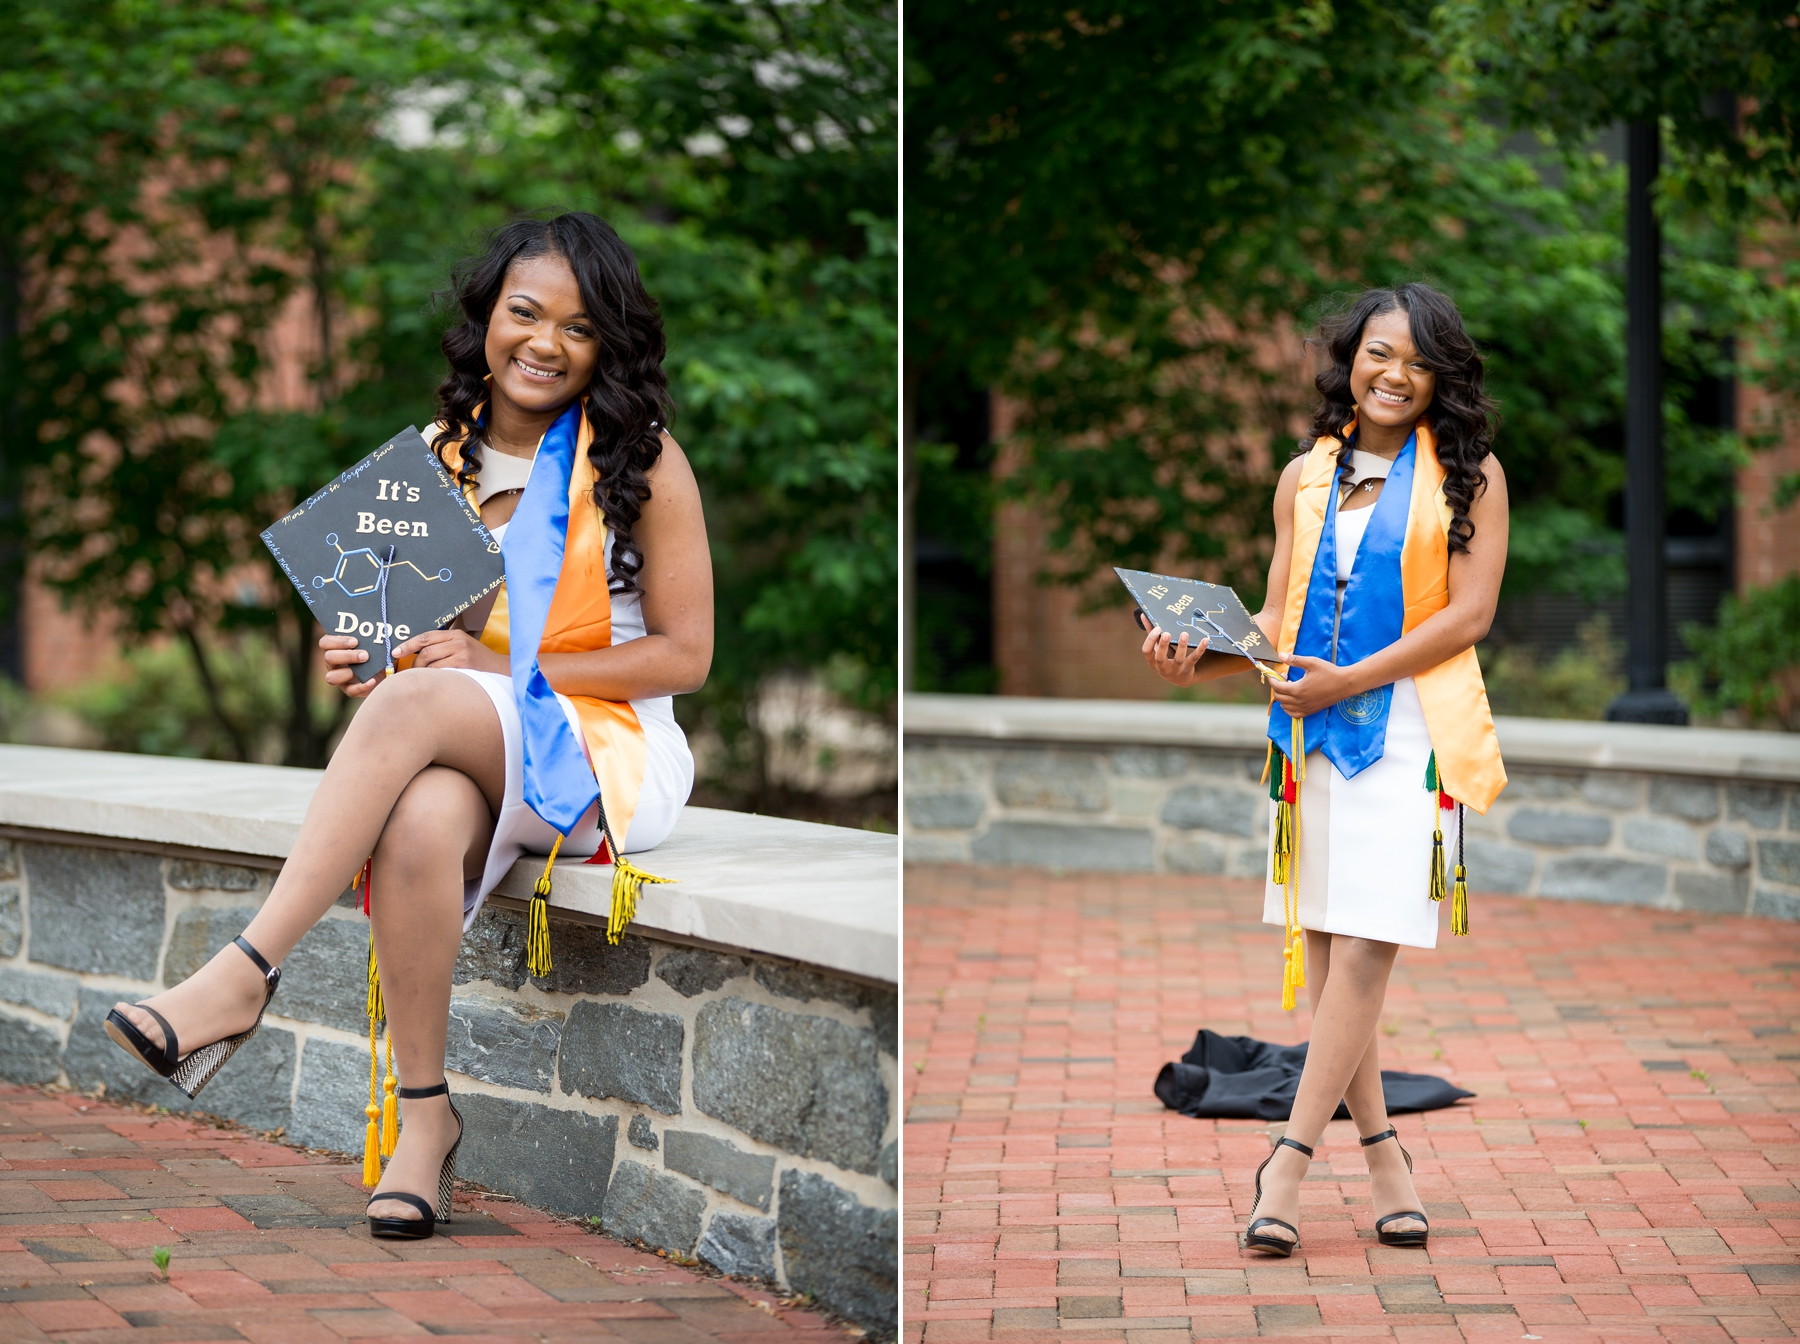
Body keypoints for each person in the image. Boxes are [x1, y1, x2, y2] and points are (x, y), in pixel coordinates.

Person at [104, 212, 712, 1238]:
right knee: (421, 820)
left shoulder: (642, 462)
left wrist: (493, 663)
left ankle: (244, 973)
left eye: (577, 326)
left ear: (608, 344)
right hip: (471, 738)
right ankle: (424, 1124)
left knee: (429, 701)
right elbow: (402, 651)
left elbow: (685, 659)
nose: (545, 343)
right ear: (486, 318)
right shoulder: (432, 462)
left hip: (609, 750)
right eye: (525, 313)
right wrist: (360, 654)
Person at [1139, 282, 1507, 1256]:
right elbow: (1276, 618)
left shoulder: (1470, 477)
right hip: (1311, 740)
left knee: (1372, 944)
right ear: (1351, 358)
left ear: (1441, 378)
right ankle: (1386, 1154)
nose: (1395, 374)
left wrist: (1350, 681)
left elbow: (1466, 617)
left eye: (1417, 361)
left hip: (1409, 737)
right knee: (1343, 958)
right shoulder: (1306, 475)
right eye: (1380, 353)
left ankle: (1286, 1166)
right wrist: (1200, 651)